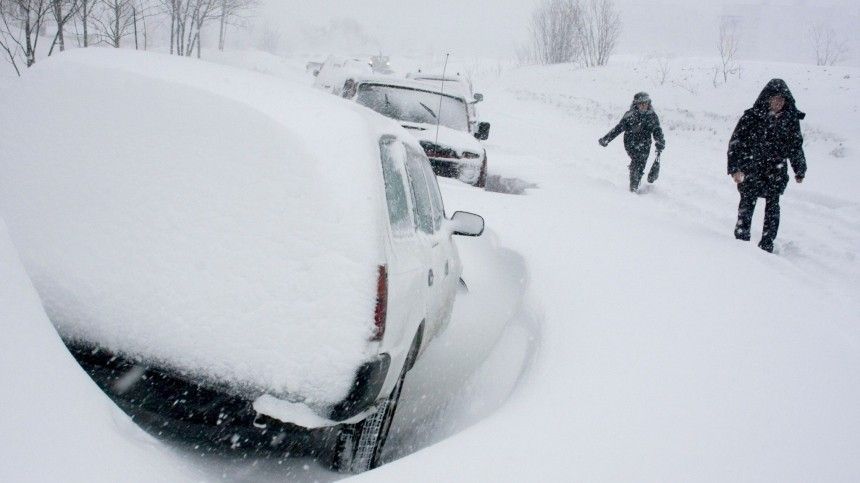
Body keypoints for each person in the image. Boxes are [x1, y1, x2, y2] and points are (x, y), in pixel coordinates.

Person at [727, 79, 806, 253]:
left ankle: (767, 243)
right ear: (767, 98)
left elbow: (795, 146)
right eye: (775, 99)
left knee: (773, 207)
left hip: (775, 171)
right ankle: (741, 239)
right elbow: (736, 142)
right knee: (747, 203)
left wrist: (799, 169)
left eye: (782, 100)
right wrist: (735, 168)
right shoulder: (752, 116)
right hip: (752, 166)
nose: (778, 103)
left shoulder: (790, 120)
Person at [599, 92, 666, 192]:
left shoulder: (652, 116)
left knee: (641, 163)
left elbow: (657, 131)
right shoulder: (629, 115)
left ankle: (635, 180)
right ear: (636, 104)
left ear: (649, 103)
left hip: (646, 143)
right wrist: (606, 139)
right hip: (631, 142)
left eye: (645, 103)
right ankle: (633, 185)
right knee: (637, 161)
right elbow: (618, 129)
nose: (643, 106)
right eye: (641, 103)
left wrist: (660, 142)